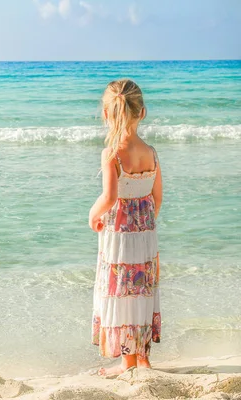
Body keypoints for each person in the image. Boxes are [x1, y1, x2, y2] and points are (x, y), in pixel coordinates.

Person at [88, 79, 162, 376]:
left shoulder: (112, 154)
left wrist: (93, 214)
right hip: (145, 235)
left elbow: (110, 197)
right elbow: (156, 198)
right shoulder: (152, 152)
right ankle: (143, 358)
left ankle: (127, 362)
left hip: (119, 237)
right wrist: (144, 224)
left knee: (121, 292)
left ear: (106, 114)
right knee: (142, 291)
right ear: (141, 113)